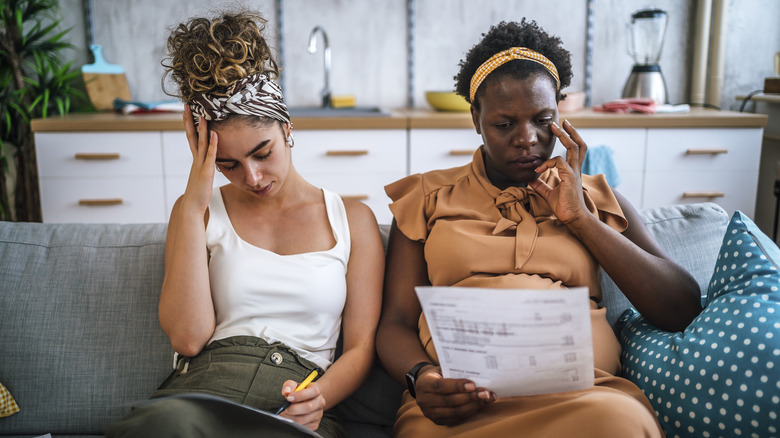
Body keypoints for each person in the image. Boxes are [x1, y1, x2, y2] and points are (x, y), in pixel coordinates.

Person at [375, 19, 702, 437]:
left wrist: (580, 219)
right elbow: (395, 322)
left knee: (621, 422)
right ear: (476, 118)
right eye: (504, 124)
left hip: (584, 397)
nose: (527, 138)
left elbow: (682, 308)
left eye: (542, 119)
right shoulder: (426, 197)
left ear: (560, 115)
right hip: (460, 404)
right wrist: (421, 377)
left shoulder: (598, 198)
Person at [106, 10, 383, 438]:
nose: (252, 178)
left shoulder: (353, 220)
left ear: (287, 129)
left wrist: (319, 398)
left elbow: (361, 348)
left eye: (262, 152)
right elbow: (189, 339)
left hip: (295, 400)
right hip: (202, 394)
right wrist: (192, 203)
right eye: (228, 164)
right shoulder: (197, 211)